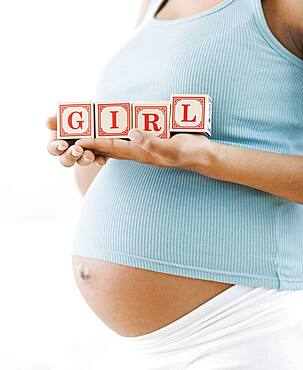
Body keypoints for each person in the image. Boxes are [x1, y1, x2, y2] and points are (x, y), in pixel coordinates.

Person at [46, 0, 303, 368]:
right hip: (135, 346)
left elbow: (190, 154)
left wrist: (204, 157)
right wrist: (92, 148)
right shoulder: (154, 5)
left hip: (240, 327)